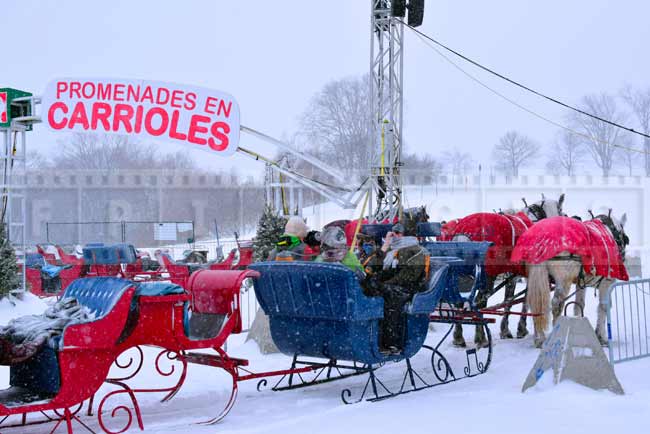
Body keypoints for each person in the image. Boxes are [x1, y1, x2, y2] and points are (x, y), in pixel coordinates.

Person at [364, 222, 430, 355]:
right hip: (392, 286)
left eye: (398, 232)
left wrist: (383, 283)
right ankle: (370, 337)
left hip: (407, 289)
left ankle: (392, 343)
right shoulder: (391, 250)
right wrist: (384, 247)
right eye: (393, 231)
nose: (395, 235)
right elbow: (369, 268)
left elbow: (408, 276)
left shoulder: (417, 251)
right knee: (366, 288)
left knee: (390, 299)